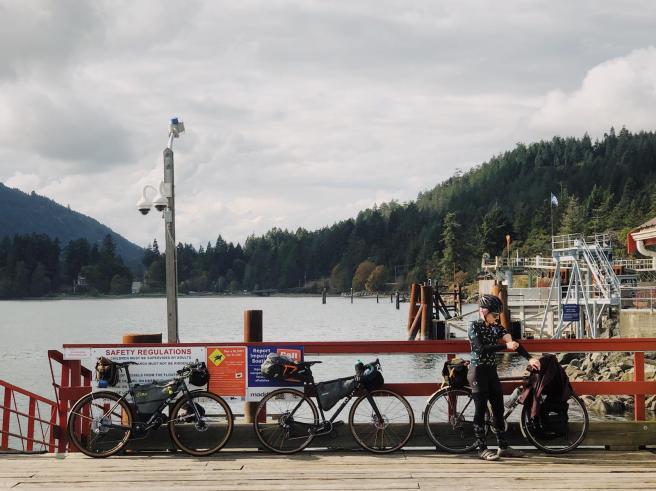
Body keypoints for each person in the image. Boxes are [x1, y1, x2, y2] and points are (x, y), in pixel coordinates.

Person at [468, 294, 541, 461]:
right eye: (494, 315)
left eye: (497, 315)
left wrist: (529, 357)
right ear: (484, 312)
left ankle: (503, 447)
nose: (496, 318)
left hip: (491, 371)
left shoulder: (496, 327)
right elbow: (480, 349)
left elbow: (512, 342)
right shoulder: (474, 326)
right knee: (480, 411)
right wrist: (504, 346)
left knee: (498, 410)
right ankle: (482, 449)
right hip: (477, 371)